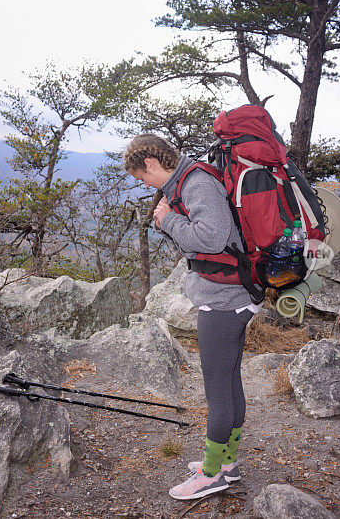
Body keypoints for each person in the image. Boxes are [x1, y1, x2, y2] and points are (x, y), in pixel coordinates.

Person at [123, 134, 263, 500]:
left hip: (224, 299)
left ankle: (212, 473)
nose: (144, 183)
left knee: (218, 390)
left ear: (151, 165)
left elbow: (213, 238)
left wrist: (168, 221)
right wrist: (170, 220)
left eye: (141, 177)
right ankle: (227, 464)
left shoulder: (196, 184)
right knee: (230, 381)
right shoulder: (186, 182)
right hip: (231, 294)